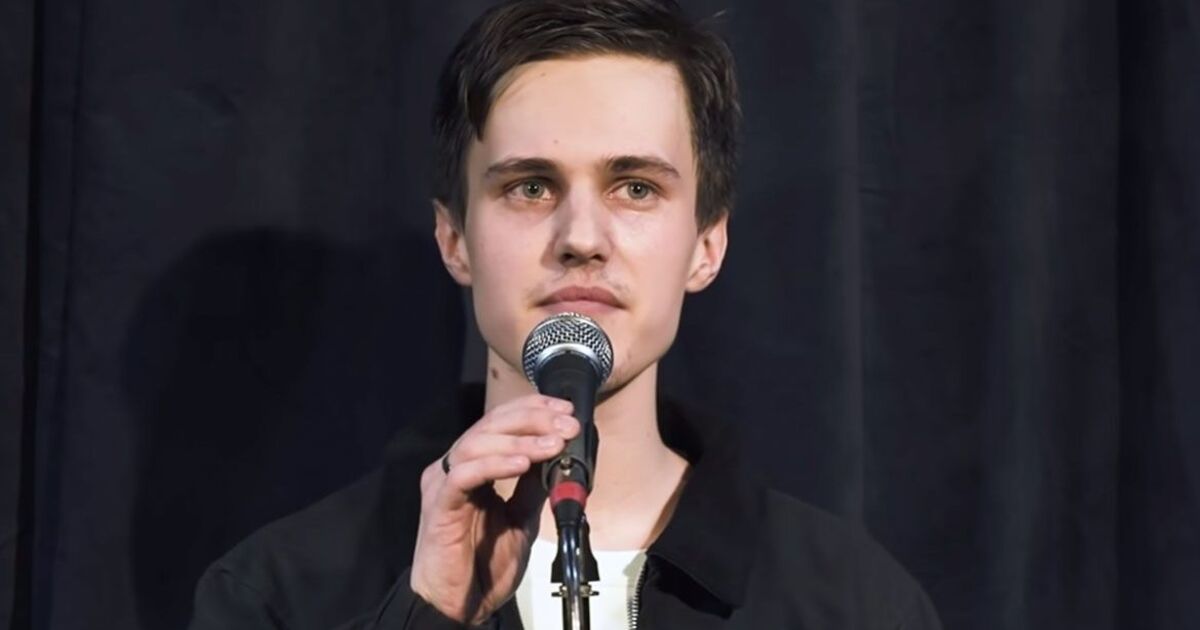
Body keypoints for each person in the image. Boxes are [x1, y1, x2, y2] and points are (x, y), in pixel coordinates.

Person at [189, 1, 942, 628]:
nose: (581, 238)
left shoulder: (856, 605)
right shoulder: (276, 592)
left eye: (636, 188)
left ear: (707, 246)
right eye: (530, 187)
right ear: (454, 239)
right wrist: (427, 614)